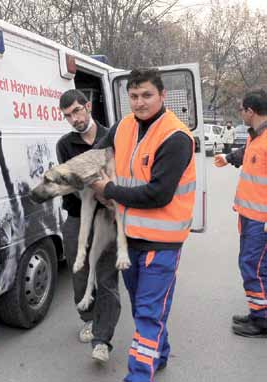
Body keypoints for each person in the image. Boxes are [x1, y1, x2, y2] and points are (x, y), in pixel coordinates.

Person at [91, 68, 196, 381]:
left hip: (161, 244)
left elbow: (159, 195)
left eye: (147, 95)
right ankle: (159, 354)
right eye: (134, 96)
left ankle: (138, 375)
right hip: (129, 239)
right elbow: (97, 154)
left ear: (163, 96)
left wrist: (108, 190)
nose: (139, 102)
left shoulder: (176, 137)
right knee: (143, 309)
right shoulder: (123, 126)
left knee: (148, 315)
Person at [57, 89, 121, 363]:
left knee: (106, 278)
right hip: (76, 219)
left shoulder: (114, 135)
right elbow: (72, 184)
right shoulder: (65, 145)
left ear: (88, 106)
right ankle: (88, 317)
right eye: (68, 116)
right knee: (80, 272)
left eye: (77, 111)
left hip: (107, 219)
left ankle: (102, 339)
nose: (74, 119)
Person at [214, 90, 267, 338]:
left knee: (252, 266)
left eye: (241, 110)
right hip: (248, 216)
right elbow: (246, 156)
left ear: (250, 112)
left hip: (261, 221)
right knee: (254, 265)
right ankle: (259, 311)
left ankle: (262, 320)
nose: (240, 114)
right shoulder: (255, 137)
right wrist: (227, 157)